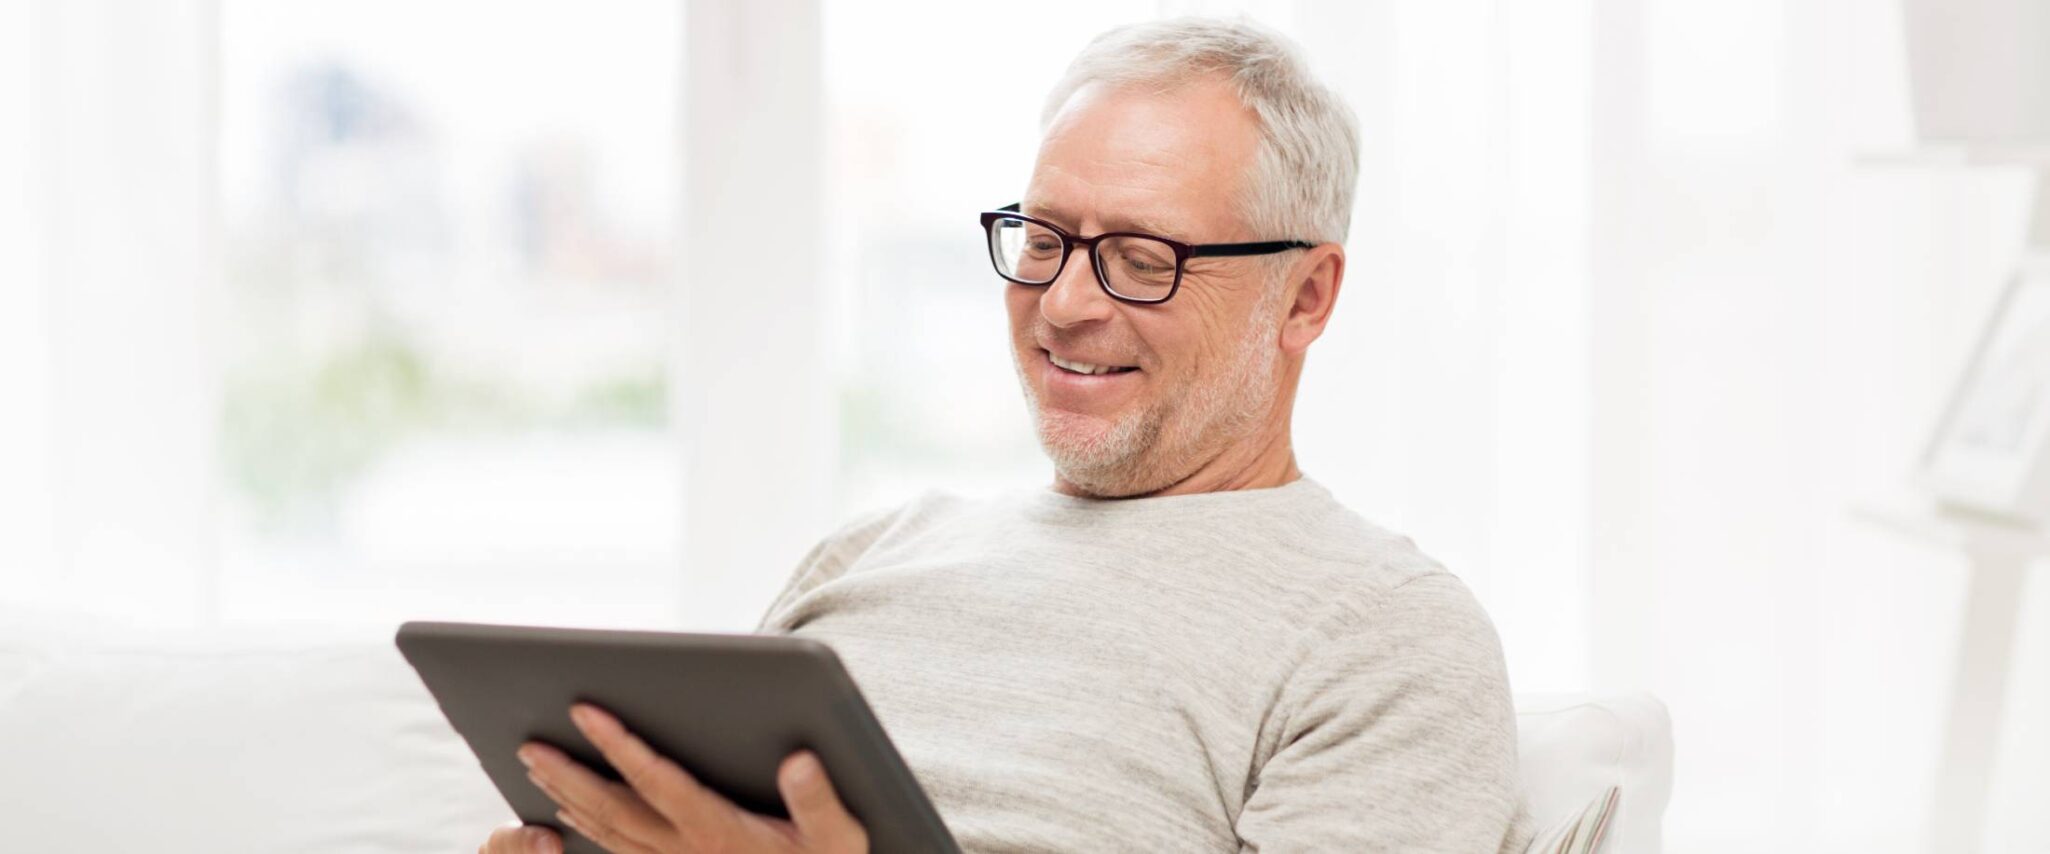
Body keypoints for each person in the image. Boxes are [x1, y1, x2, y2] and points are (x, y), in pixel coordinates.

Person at [486, 16, 1529, 854]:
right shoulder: (874, 552)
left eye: (1139, 254)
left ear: (1304, 296)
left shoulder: (1386, 637)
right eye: (1043, 237)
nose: (1065, 302)